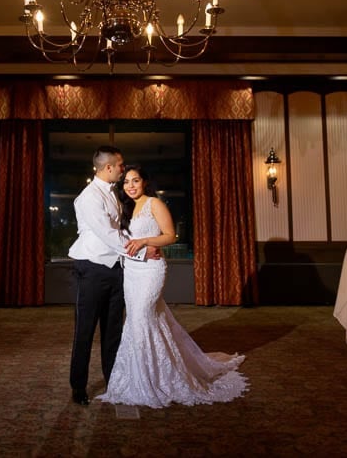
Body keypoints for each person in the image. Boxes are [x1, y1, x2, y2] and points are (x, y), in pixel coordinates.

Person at [97, 164, 248, 408]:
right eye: (126, 182)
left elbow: (170, 235)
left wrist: (146, 241)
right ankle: (139, 375)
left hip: (152, 271)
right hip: (131, 271)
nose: (131, 186)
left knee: (142, 317)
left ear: (144, 182)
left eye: (135, 180)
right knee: (141, 320)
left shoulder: (154, 204)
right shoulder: (122, 207)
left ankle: (155, 378)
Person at [67, 145, 153, 406]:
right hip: (92, 270)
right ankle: (78, 387)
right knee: (85, 331)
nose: (123, 169)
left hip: (116, 270)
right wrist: (143, 253)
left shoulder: (112, 193)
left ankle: (113, 381)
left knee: (113, 331)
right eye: (120, 165)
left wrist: (143, 244)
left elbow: (121, 231)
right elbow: (109, 235)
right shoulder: (89, 197)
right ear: (108, 168)